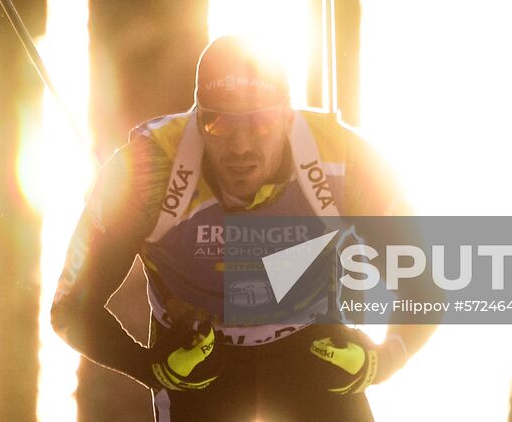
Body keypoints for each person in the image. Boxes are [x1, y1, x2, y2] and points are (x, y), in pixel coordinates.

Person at [51, 34, 434, 421]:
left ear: (287, 117)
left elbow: (427, 288)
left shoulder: (345, 161)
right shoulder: (148, 170)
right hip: (200, 363)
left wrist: (381, 361)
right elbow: (69, 308)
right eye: (218, 124)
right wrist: (149, 367)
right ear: (197, 119)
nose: (240, 147)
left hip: (311, 353)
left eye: (260, 124)